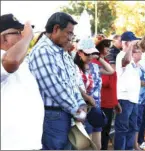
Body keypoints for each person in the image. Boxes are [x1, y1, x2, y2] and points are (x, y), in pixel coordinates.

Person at [28, 12, 87, 150]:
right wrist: (77, 110)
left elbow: (72, 82)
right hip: (53, 115)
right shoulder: (43, 51)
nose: (70, 37)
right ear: (55, 29)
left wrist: (80, 103)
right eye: (69, 33)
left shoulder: (58, 51)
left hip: (64, 112)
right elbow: (54, 88)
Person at [1, 14, 44, 150]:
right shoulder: (6, 57)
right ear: (3, 37)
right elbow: (10, 62)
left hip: (28, 143)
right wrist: (28, 37)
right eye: (18, 32)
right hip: (11, 144)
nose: (22, 36)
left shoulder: (21, 59)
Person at [74, 37, 114, 149]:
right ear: (79, 53)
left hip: (96, 108)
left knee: (97, 145)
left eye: (92, 53)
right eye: (88, 54)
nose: (90, 57)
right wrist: (86, 97)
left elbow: (111, 71)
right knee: (86, 144)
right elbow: (75, 87)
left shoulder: (95, 67)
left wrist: (100, 58)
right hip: (83, 109)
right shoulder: (74, 68)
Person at [92, 34, 122, 150]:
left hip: (109, 102)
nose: (109, 48)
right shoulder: (96, 62)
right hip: (102, 102)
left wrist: (115, 102)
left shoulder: (105, 61)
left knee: (105, 132)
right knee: (102, 134)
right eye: (106, 46)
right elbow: (103, 83)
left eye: (109, 45)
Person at [114, 31, 140, 150]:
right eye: (133, 41)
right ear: (126, 42)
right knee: (122, 129)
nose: (135, 44)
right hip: (124, 98)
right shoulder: (121, 56)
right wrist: (130, 47)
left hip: (133, 98)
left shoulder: (131, 57)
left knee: (132, 128)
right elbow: (125, 62)